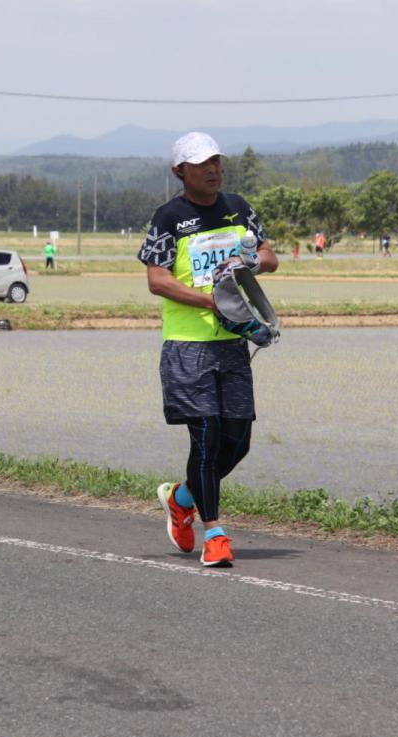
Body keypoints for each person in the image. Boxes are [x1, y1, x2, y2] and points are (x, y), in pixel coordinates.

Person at [139, 131, 279, 568]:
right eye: (202, 164)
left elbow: (270, 256)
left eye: (216, 161)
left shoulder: (238, 207)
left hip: (233, 344)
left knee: (237, 442)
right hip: (188, 347)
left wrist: (252, 260)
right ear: (179, 171)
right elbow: (157, 279)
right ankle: (214, 534)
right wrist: (210, 302)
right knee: (206, 436)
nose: (213, 170)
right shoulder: (169, 217)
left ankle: (181, 499)